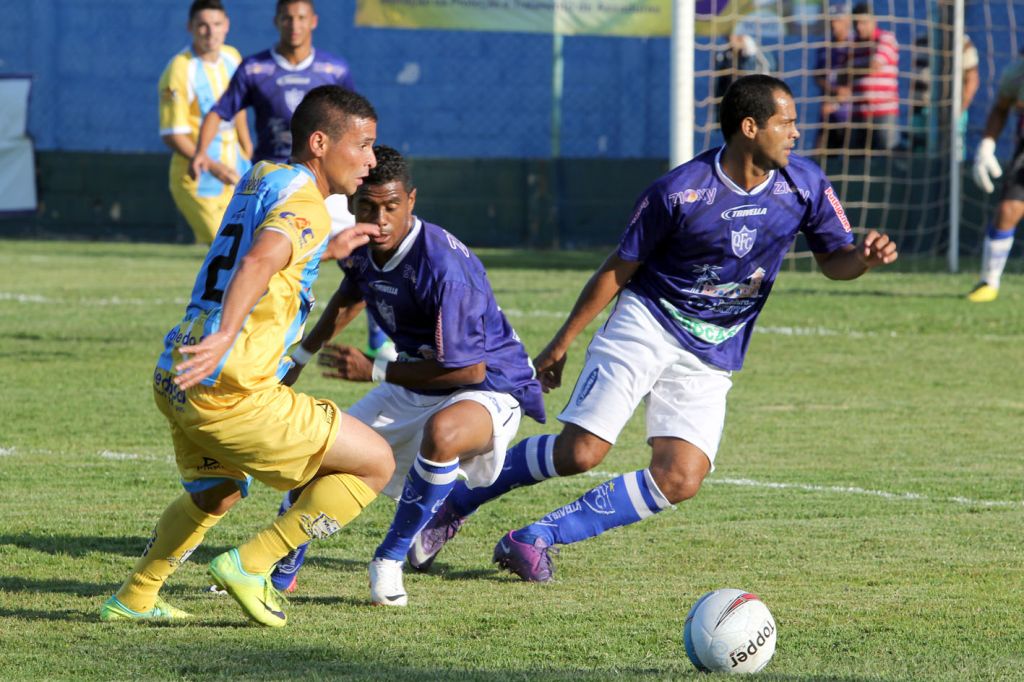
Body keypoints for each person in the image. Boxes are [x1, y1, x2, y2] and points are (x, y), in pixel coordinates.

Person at [408, 74, 899, 583]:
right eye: (787, 122)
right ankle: (456, 503)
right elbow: (617, 269)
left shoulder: (806, 184)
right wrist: (561, 343)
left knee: (681, 478)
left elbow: (833, 262)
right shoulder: (680, 192)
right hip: (647, 322)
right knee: (581, 452)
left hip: (714, 350)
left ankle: (533, 538)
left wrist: (861, 258)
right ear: (750, 127)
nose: (797, 133)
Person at [100, 86, 393, 627]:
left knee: (217, 492)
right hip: (230, 386)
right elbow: (259, 260)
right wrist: (227, 332)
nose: (372, 160)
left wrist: (326, 250)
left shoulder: (262, 176)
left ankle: (136, 596)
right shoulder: (306, 204)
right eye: (365, 145)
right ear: (321, 142)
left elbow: (259, 247)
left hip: (178, 372)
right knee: (377, 462)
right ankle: (253, 565)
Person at [268, 145, 546, 605]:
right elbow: (350, 294)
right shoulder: (361, 245)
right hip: (418, 376)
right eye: (368, 206)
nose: (379, 219)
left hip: (489, 384)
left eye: (391, 207)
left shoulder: (443, 267)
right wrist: (299, 357)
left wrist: (374, 368)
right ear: (353, 202)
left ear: (411, 202)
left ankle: (390, 559)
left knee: (445, 432)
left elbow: (467, 368)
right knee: (323, 448)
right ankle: (279, 568)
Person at [190, 0, 391, 353]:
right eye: (287, 18)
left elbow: (355, 125)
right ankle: (234, 337)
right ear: (276, 21)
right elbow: (221, 110)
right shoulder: (254, 68)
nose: (294, 25)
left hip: (323, 186)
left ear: (313, 21)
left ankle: (382, 343)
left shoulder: (334, 67)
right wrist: (200, 153)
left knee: (373, 253)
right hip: (279, 187)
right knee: (265, 262)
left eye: (301, 18)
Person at [158, 0, 252, 245]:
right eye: (202, 25)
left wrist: (247, 146)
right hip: (200, 180)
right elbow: (172, 134)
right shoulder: (180, 68)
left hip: (236, 172)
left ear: (226, 26)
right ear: (190, 27)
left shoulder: (232, 57)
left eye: (216, 24)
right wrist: (213, 166)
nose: (210, 32)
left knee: (250, 247)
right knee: (230, 246)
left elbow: (238, 106)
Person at [968, 52, 1024, 303]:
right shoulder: (1016, 73)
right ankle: (989, 281)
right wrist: (987, 146)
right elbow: (1001, 108)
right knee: (1007, 210)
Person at [848, 3, 900, 151]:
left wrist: (851, 69)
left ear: (873, 21)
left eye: (863, 22)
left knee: (888, 157)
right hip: (859, 114)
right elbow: (841, 76)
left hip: (883, 113)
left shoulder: (886, 39)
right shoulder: (853, 45)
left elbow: (874, 65)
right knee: (856, 160)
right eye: (856, 23)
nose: (859, 27)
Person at [815, 2, 853, 152]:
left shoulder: (856, 45)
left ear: (848, 20)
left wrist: (843, 94)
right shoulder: (824, 48)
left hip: (851, 113)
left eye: (838, 20)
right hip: (828, 111)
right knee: (822, 154)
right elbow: (818, 75)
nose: (834, 25)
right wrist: (833, 90)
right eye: (831, 20)